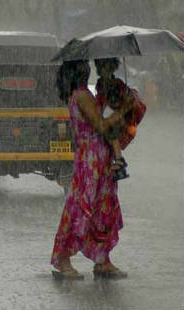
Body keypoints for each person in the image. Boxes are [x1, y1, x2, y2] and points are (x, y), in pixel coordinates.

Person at [51, 60, 133, 279]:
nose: (89, 68)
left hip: (99, 159)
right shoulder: (82, 95)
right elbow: (101, 125)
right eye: (85, 66)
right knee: (81, 206)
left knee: (102, 208)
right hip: (91, 161)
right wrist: (124, 110)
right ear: (79, 71)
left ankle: (102, 259)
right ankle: (62, 257)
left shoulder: (83, 94)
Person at [94, 58, 146, 181]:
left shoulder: (115, 84)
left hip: (114, 116)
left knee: (113, 137)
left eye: (105, 67)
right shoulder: (102, 83)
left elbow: (118, 101)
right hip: (109, 116)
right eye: (100, 67)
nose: (102, 70)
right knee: (111, 139)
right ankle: (117, 161)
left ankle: (119, 161)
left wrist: (115, 109)